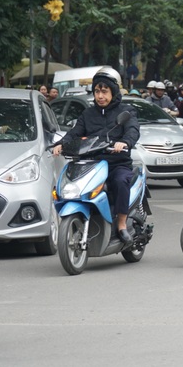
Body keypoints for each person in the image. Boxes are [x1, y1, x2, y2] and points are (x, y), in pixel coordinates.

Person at [52, 67, 140, 244]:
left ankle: (121, 224)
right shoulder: (87, 113)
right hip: (92, 163)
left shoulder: (126, 111)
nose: (100, 96)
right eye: (97, 91)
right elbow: (75, 132)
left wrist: (125, 142)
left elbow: (132, 130)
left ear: (113, 92)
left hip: (117, 163)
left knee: (120, 181)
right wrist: (60, 144)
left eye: (104, 91)